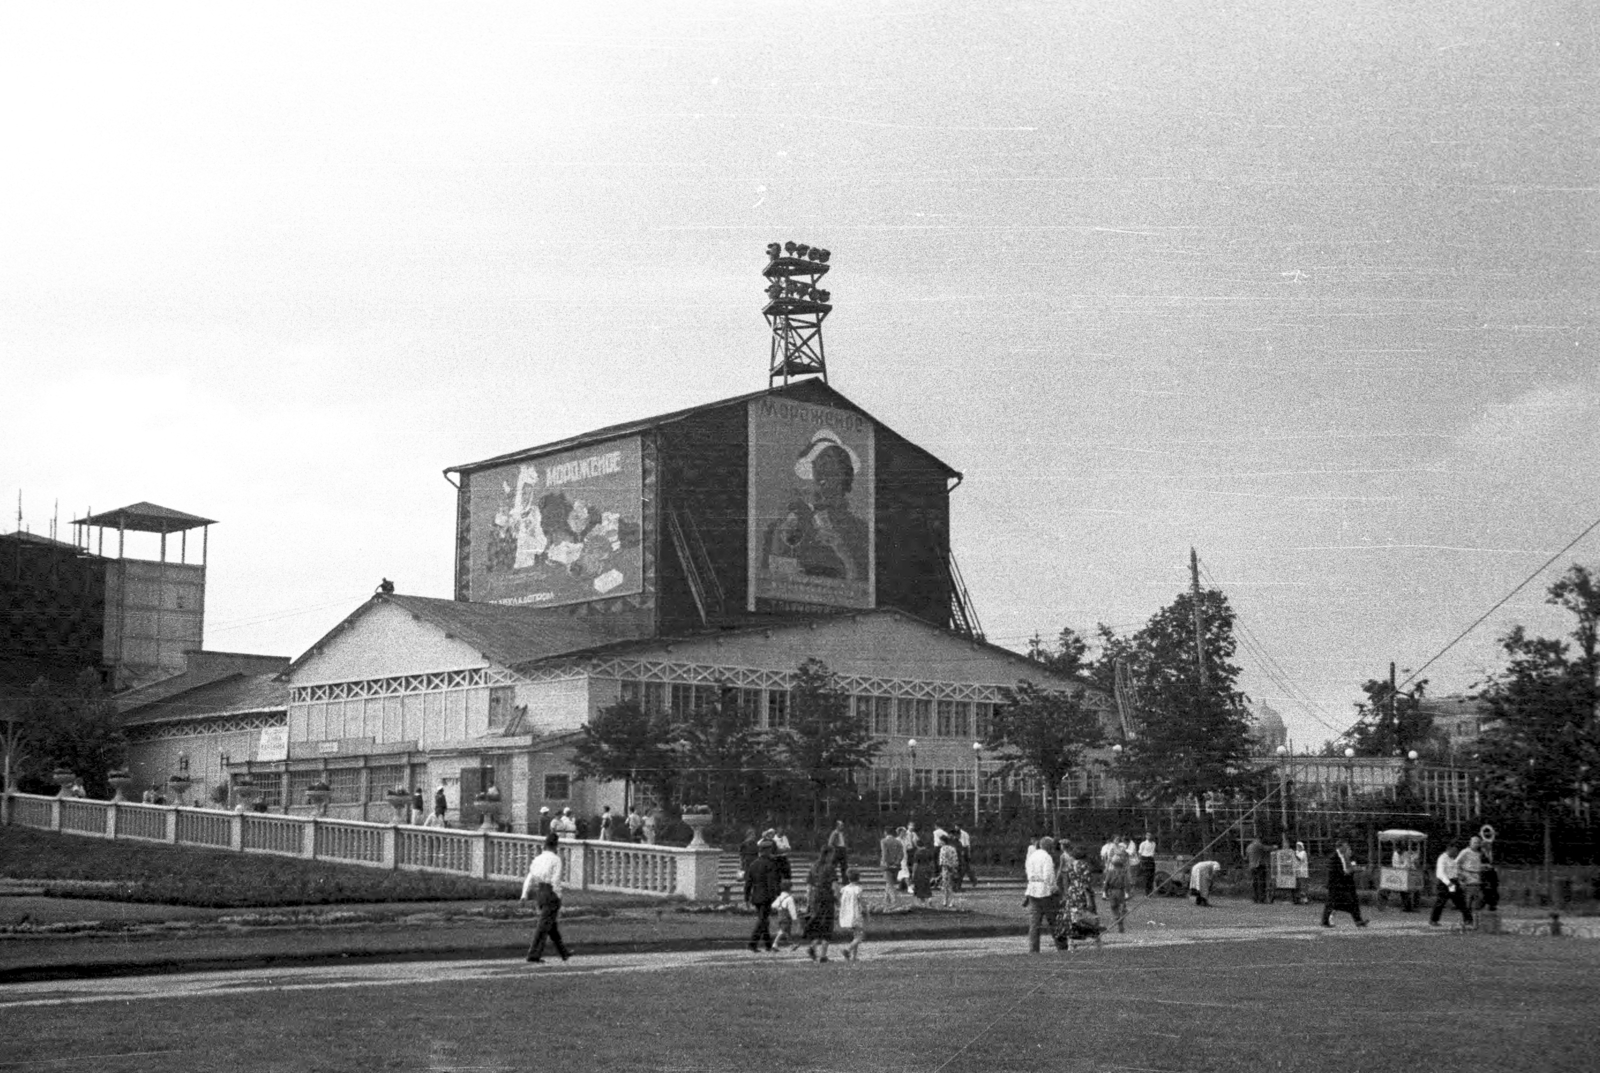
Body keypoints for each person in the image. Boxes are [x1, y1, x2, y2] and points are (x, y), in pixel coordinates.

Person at [520, 833, 572, 963]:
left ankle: (563, 952)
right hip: (550, 892)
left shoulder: (537, 859)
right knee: (544, 926)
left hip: (539, 892)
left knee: (550, 924)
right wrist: (558, 896)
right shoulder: (555, 859)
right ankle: (533, 954)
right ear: (556, 845)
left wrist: (524, 894)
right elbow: (556, 880)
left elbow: (530, 878)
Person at [1056, 844, 1103, 949]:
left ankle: (1071, 942)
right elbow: (1085, 883)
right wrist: (1089, 899)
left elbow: (1069, 879)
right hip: (1082, 894)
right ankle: (1096, 939)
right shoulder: (1084, 866)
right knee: (1088, 916)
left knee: (1072, 917)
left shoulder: (1071, 865)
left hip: (1072, 892)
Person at [744, 840, 783, 952]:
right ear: (767, 850)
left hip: (756, 896)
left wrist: (746, 898)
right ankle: (752, 943)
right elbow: (772, 882)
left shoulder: (753, 864)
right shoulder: (770, 864)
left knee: (764, 921)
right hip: (766, 896)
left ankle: (768, 945)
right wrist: (777, 896)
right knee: (763, 920)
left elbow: (748, 883)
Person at [1024, 835, 1061, 953]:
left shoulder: (1032, 856)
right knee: (1053, 921)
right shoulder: (1047, 857)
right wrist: (1054, 888)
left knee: (1034, 923)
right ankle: (1061, 945)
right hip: (1045, 892)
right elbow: (1048, 875)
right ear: (1049, 847)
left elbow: (1028, 872)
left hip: (1032, 889)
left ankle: (1033, 948)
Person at [1321, 840, 1368, 928]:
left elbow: (1350, 866)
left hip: (1346, 884)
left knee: (1352, 901)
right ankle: (1325, 921)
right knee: (1334, 903)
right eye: (1345, 846)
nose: (1347, 847)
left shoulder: (1345, 856)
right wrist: (1348, 871)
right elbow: (1336, 872)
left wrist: (1354, 869)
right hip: (1336, 885)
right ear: (1340, 847)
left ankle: (1358, 920)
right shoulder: (1333, 858)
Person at [1429, 839, 1473, 928]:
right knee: (1440, 903)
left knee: (1461, 902)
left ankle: (1468, 920)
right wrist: (1448, 883)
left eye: (1457, 851)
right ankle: (1434, 920)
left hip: (1454, 882)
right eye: (1455, 851)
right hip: (1444, 883)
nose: (1456, 853)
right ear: (1449, 848)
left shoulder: (1454, 859)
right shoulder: (1442, 858)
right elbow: (1440, 873)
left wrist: (1460, 877)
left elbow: (1454, 871)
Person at [803, 852, 838, 962]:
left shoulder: (814, 866)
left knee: (817, 924)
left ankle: (812, 947)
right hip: (827, 898)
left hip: (816, 899)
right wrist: (838, 900)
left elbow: (808, 887)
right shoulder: (830, 867)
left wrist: (808, 902)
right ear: (828, 855)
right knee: (827, 925)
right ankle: (823, 955)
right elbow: (835, 886)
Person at [838, 868, 866, 961]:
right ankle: (847, 949)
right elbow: (862, 902)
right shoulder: (858, 889)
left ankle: (854, 956)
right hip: (856, 914)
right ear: (858, 878)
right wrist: (866, 911)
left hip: (847, 915)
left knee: (855, 935)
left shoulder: (844, 889)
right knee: (860, 937)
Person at [1103, 847, 1132, 933]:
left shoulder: (1110, 872)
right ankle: (1120, 920)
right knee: (1122, 906)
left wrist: (1105, 892)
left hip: (1112, 892)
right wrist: (1127, 892)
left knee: (1114, 907)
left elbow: (1106, 883)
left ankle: (1117, 918)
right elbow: (1127, 883)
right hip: (1120, 891)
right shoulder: (1123, 872)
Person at [1456, 836, 1485, 916]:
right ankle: (1466, 920)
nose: (1476, 844)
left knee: (1480, 900)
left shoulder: (1479, 853)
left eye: (1478, 843)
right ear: (1470, 843)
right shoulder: (1465, 852)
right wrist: (1460, 874)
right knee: (1467, 902)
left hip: (1477, 879)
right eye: (1474, 842)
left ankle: (1475, 918)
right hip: (1468, 879)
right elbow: (1456, 863)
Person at [771, 879, 800, 953]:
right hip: (786, 917)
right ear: (789, 888)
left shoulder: (780, 897)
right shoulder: (789, 898)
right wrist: (795, 918)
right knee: (782, 930)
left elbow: (773, 905)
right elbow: (792, 909)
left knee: (787, 932)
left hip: (780, 916)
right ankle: (774, 944)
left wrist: (779, 908)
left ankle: (792, 945)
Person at [879, 827, 904, 908]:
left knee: (890, 884)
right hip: (896, 866)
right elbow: (901, 854)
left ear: (885, 832)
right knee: (889, 882)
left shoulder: (884, 841)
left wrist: (885, 863)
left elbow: (884, 853)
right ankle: (886, 901)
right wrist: (897, 862)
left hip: (887, 865)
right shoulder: (898, 842)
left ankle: (895, 901)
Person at [911, 839, 937, 906]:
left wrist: (913, 872)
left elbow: (915, 864)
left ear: (917, 845)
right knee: (927, 884)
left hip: (919, 870)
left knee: (919, 886)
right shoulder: (928, 852)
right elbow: (932, 862)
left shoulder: (917, 852)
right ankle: (929, 898)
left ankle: (922, 902)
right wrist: (932, 872)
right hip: (927, 869)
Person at [938, 835, 960, 907]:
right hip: (953, 868)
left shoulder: (943, 849)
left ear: (943, 841)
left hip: (946, 869)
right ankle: (951, 901)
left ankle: (945, 900)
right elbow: (956, 859)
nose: (939, 842)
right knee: (951, 885)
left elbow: (942, 861)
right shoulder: (953, 848)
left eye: (940, 841)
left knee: (945, 886)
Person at [1246, 836, 1270, 904]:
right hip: (1259, 865)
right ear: (1257, 839)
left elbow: (1247, 857)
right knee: (1261, 883)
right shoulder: (1258, 845)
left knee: (1255, 883)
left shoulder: (1249, 847)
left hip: (1252, 866)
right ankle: (1262, 898)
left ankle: (1255, 898)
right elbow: (1266, 848)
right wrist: (1274, 847)